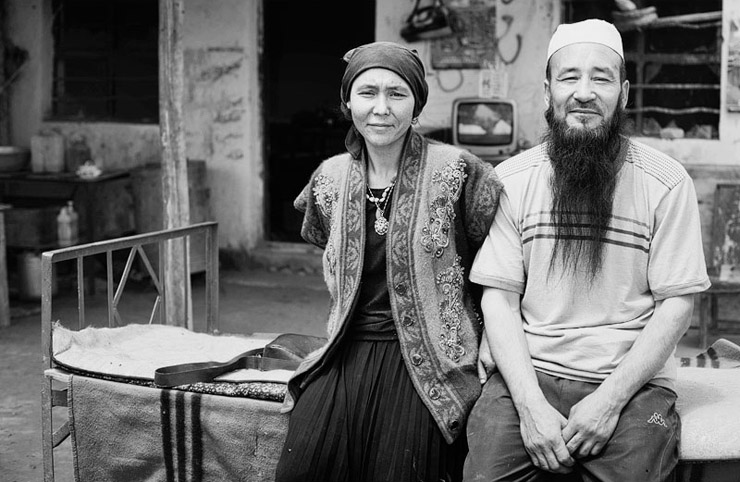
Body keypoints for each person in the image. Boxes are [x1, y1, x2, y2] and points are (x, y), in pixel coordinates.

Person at [464, 19, 711, 482]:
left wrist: (610, 399)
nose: (584, 92)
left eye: (601, 77)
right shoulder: (512, 180)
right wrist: (530, 405)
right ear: (546, 91)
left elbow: (677, 304)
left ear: (624, 92)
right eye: (569, 77)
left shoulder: (667, 182)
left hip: (633, 382)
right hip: (530, 372)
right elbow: (498, 297)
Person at [274, 41, 503, 482]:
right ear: (346, 103)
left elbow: (494, 262)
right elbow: (326, 243)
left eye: (397, 94)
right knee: (302, 466)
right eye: (367, 93)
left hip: (430, 357)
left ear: (416, 105)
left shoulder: (459, 171)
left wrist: (488, 338)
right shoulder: (329, 178)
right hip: (345, 351)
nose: (381, 108)